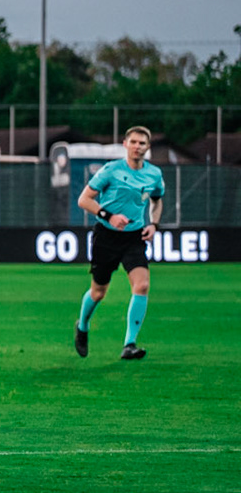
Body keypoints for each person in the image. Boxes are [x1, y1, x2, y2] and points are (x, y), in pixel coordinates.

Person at [74, 125, 165, 361]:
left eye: (142, 143)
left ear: (148, 147)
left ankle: (129, 344)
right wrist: (110, 216)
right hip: (106, 236)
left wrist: (154, 224)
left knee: (142, 285)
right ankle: (82, 326)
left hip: (134, 237)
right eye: (133, 142)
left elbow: (156, 201)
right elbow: (84, 200)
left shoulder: (154, 174)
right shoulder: (111, 170)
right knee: (98, 292)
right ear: (125, 144)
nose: (137, 147)